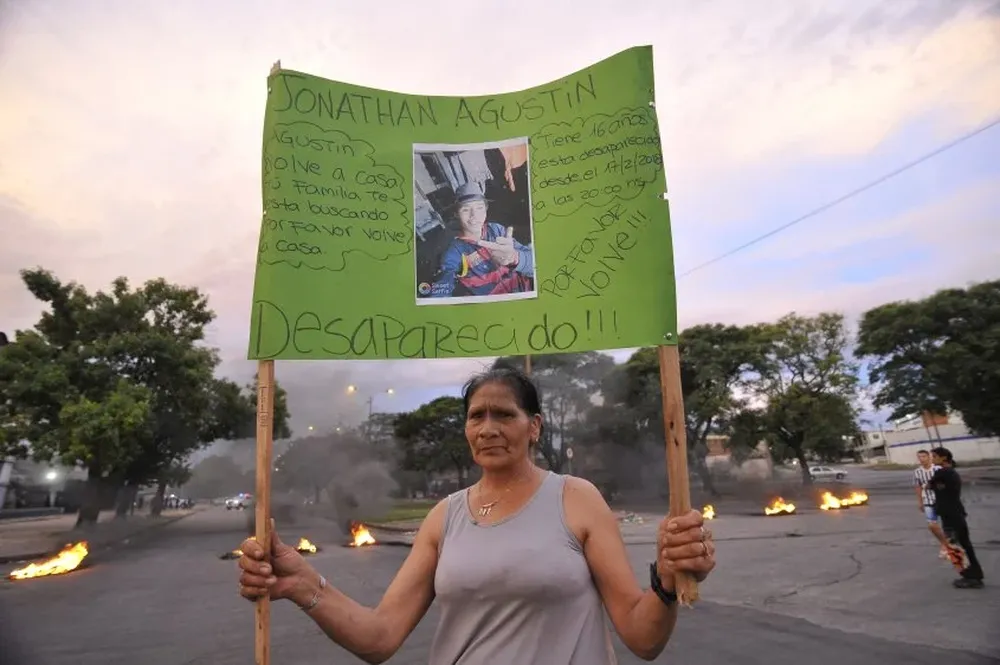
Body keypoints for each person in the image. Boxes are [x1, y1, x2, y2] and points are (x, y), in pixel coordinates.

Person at [237, 367, 716, 664]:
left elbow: (641, 636)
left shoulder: (576, 498)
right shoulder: (444, 517)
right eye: (476, 416)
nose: (488, 428)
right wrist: (303, 585)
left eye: (504, 415)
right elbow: (379, 637)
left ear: (535, 427)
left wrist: (667, 579)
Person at [426, 182, 535, 299]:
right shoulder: (455, 252)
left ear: (486, 210)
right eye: (466, 210)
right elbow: (442, 286)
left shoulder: (497, 230)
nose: (474, 215)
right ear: (456, 214)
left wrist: (515, 257)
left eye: (479, 208)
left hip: (527, 293)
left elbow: (535, 264)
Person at [927, 447, 984, 589]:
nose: (932, 459)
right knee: (963, 545)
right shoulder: (950, 472)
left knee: (958, 547)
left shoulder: (943, 472)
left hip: (951, 515)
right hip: (954, 513)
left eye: (934, 456)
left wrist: (935, 485)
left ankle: (971, 577)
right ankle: (973, 575)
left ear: (943, 458)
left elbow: (929, 485)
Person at [912, 450, 949, 558]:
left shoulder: (938, 469)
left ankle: (947, 547)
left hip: (941, 500)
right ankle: (944, 543)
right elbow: (917, 487)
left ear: (929, 457)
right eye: (919, 457)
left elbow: (945, 484)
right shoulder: (917, 472)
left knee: (946, 524)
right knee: (932, 525)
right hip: (927, 500)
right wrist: (920, 502)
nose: (921, 459)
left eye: (924, 456)